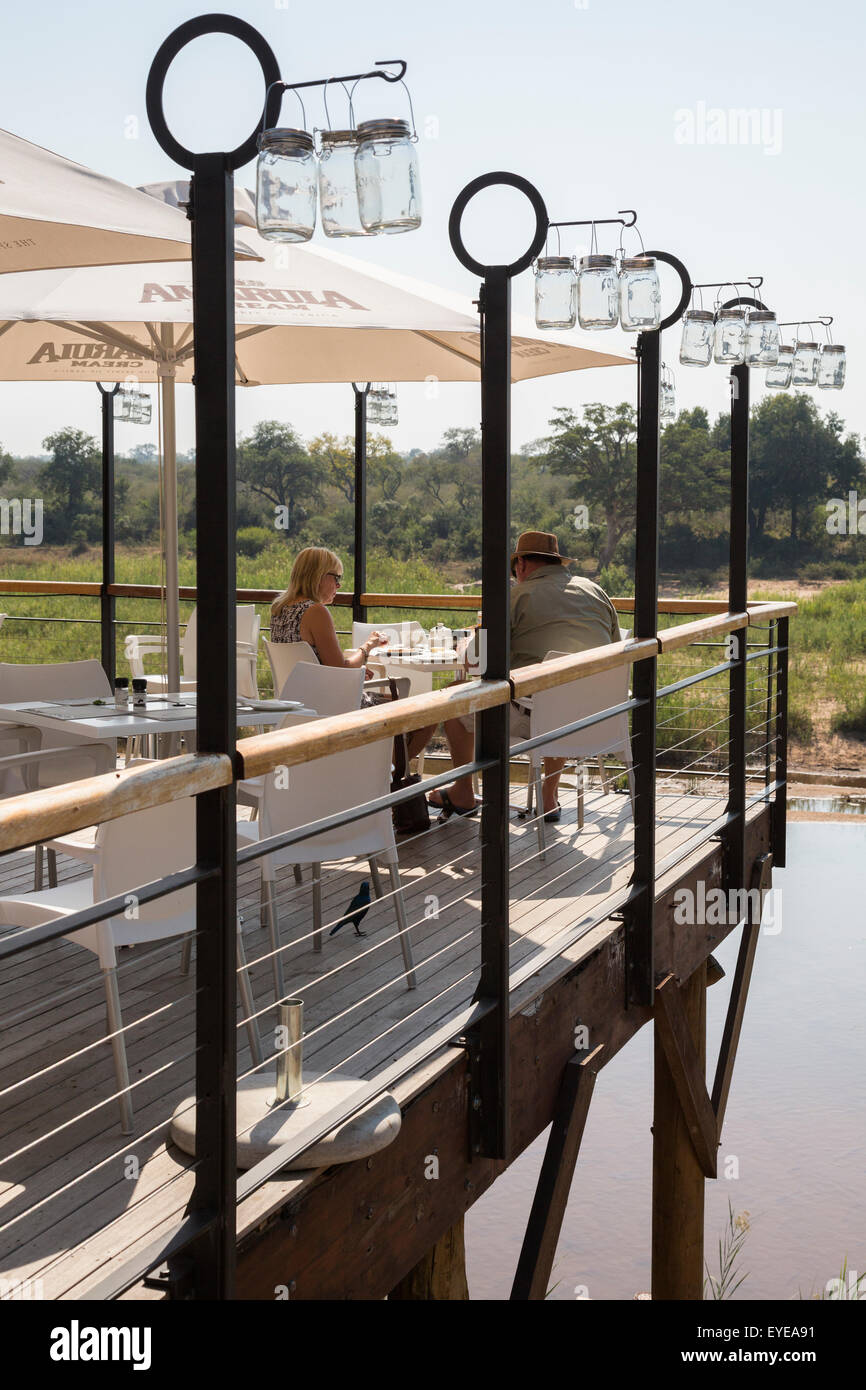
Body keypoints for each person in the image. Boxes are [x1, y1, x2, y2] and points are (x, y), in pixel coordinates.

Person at [427, 530, 620, 820]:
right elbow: (616, 649)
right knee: (557, 694)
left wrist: (467, 642)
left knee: (455, 698)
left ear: (522, 566)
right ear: (558, 564)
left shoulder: (515, 596)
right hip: (594, 715)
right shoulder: (596, 592)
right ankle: (548, 796)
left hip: (539, 717)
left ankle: (463, 792)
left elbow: (474, 663)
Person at [270, 547, 387, 676]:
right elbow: (339, 670)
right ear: (318, 576)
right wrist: (368, 646)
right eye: (336, 578)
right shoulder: (315, 612)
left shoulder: (279, 608)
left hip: (291, 693)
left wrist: (355, 675)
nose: (339, 585)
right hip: (322, 695)